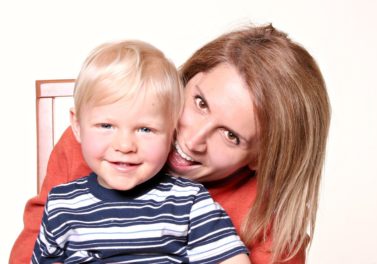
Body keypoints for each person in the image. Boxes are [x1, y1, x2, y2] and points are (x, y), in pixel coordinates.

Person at [11, 24, 331, 264]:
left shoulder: (260, 219)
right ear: (187, 79)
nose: (192, 140)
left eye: (231, 136)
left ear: (260, 158)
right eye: (200, 102)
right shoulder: (103, 141)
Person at [31, 40, 250, 263]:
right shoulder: (61, 204)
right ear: (77, 126)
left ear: (171, 132)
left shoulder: (188, 201)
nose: (125, 146)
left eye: (146, 129)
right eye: (106, 126)